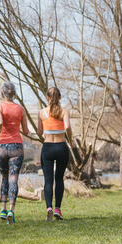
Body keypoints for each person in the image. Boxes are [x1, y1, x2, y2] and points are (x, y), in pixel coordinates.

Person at [0, 82, 29, 224]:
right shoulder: (21, 109)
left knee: (4, 178)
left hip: (2, 147)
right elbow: (25, 131)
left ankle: (3, 209)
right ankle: (11, 211)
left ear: (2, 94)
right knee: (13, 179)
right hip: (16, 147)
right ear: (14, 94)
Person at [37, 87, 74, 222]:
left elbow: (39, 132)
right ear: (60, 97)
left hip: (47, 148)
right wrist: (72, 141)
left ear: (47, 97)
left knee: (48, 180)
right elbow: (68, 127)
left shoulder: (42, 113)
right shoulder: (64, 112)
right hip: (61, 147)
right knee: (59, 179)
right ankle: (58, 208)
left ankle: (49, 208)